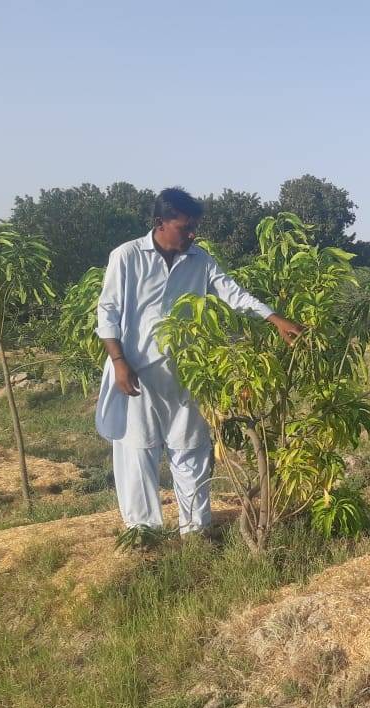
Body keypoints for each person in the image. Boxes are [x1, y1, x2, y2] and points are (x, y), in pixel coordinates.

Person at [95, 187, 304, 536]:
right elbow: (109, 311)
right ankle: (143, 532)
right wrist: (118, 361)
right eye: (184, 227)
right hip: (136, 372)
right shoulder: (127, 256)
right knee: (138, 453)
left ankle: (195, 530)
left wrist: (275, 318)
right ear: (160, 223)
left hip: (188, 373)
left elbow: (232, 292)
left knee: (191, 448)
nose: (191, 235)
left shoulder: (200, 259)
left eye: (194, 228)